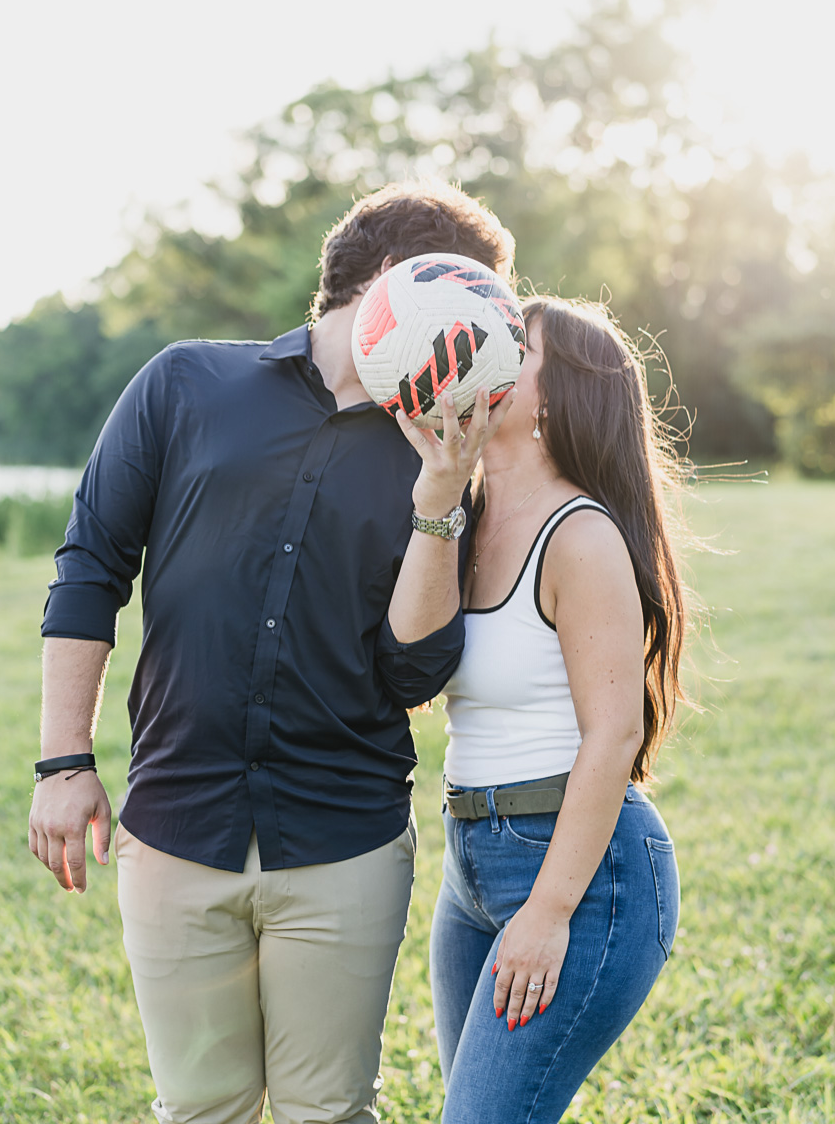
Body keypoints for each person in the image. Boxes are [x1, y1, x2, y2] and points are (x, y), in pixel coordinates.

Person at [28, 181, 516, 1124]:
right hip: (177, 826)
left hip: (346, 840)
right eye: (474, 299)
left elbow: (416, 673)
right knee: (200, 1109)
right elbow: (89, 569)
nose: (487, 335)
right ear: (395, 283)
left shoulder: (450, 450)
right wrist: (63, 762)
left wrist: (441, 495)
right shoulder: (184, 383)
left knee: (327, 1113)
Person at [429, 295, 687, 1124]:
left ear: (559, 394)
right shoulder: (464, 518)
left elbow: (615, 734)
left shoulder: (580, 534)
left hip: (581, 874)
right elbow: (407, 666)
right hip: (468, 864)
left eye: (517, 346)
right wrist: (437, 482)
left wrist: (547, 912)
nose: (489, 356)